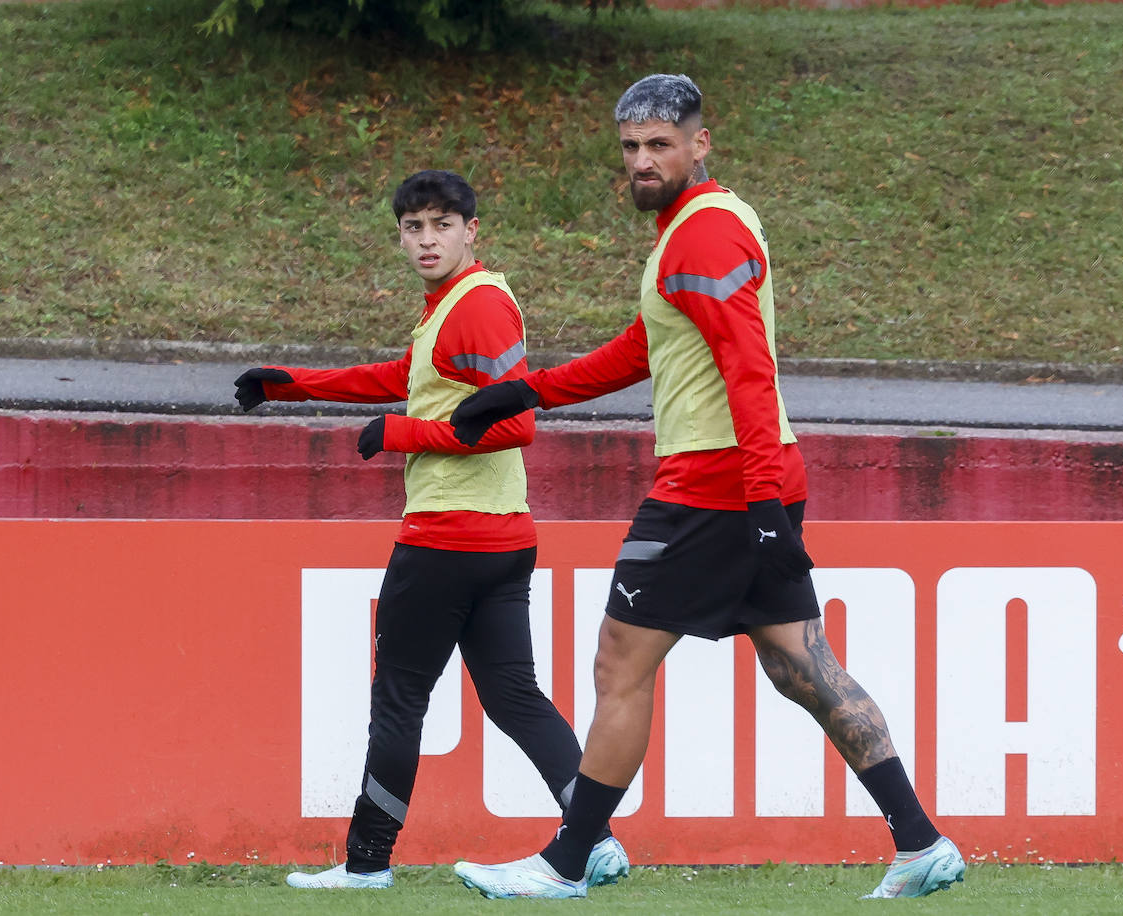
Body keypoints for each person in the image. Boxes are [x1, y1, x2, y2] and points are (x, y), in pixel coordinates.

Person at [447, 76, 965, 900]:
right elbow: (646, 348)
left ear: (700, 142)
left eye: (660, 145)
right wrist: (531, 389)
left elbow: (748, 371)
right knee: (801, 666)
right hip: (749, 478)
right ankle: (920, 840)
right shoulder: (701, 224)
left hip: (716, 484)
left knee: (621, 661)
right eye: (630, 148)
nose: (643, 162)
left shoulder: (703, 236)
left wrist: (760, 504)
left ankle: (567, 864)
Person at [233, 170, 628, 891]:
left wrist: (400, 432)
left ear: (471, 231)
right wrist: (292, 383)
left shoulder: (474, 306)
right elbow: (410, 375)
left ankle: (365, 865)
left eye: (441, 224)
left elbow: (516, 424)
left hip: (444, 538)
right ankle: (593, 839)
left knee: (399, 699)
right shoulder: (455, 305)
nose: (426, 239)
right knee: (514, 697)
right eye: (413, 227)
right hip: (504, 538)